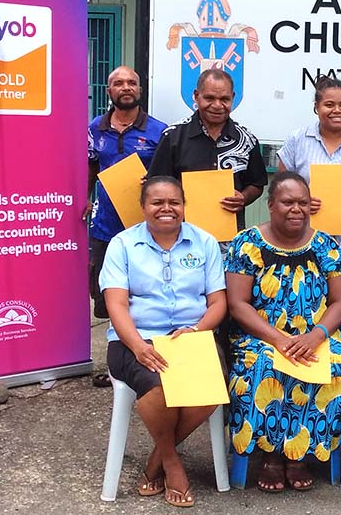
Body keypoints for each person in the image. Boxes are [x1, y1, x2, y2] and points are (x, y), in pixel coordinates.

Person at [225, 172, 341, 493]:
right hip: (261, 335)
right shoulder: (248, 244)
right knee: (263, 368)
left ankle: (302, 454)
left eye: (302, 202)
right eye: (287, 202)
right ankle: (270, 455)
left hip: (318, 334)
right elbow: (238, 304)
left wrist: (318, 335)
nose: (296, 209)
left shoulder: (325, 245)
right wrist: (279, 339)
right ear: (271, 205)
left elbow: (340, 301)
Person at [99, 176, 227, 507]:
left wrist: (197, 331)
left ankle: (157, 458)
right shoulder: (123, 245)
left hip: (192, 335)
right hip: (136, 338)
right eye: (157, 202)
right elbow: (116, 305)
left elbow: (218, 303)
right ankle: (171, 463)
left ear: (184, 206)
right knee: (156, 386)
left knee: (212, 386)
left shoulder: (205, 243)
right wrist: (139, 346)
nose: (166, 209)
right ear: (143, 207)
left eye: (174, 202)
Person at [88, 66, 167, 324]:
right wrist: (85, 196)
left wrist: (154, 180)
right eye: (119, 83)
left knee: (145, 292)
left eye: (132, 82)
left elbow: (169, 175)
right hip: (105, 226)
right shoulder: (94, 129)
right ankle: (117, 351)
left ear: (140, 90)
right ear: (109, 90)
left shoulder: (159, 131)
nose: (126, 87)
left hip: (145, 226)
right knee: (106, 294)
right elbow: (89, 166)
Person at [148, 69, 267, 231]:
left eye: (224, 99)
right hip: (181, 235)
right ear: (196, 96)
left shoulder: (247, 140)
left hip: (229, 238)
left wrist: (243, 197)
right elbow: (156, 184)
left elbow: (257, 183)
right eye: (209, 98)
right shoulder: (173, 137)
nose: (217, 105)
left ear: (233, 98)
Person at [276, 76, 341, 222]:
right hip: (305, 233)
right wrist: (301, 201)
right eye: (329, 105)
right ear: (316, 107)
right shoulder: (297, 139)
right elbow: (280, 186)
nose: (337, 110)